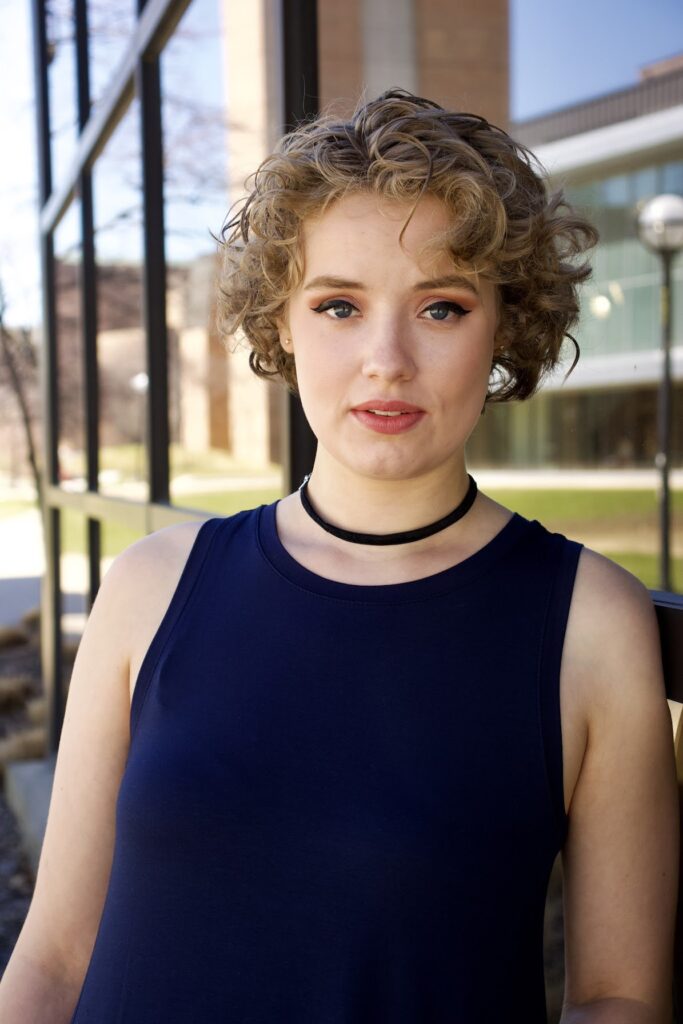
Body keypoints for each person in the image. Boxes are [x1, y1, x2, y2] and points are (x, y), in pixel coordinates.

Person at [0, 88, 678, 1024]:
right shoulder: (152, 586)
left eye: (440, 307)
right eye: (338, 305)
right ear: (280, 323)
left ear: (502, 327)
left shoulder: (585, 620)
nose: (387, 359)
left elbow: (618, 995)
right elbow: (52, 959)